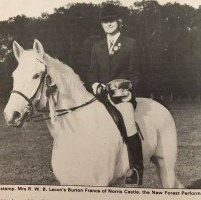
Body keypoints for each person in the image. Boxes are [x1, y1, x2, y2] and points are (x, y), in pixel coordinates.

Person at [86, 4, 144, 186]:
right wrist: (94, 83)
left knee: (127, 117)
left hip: (122, 96)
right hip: (101, 96)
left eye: (111, 20)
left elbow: (136, 73)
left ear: (119, 21)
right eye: (104, 21)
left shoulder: (131, 44)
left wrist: (128, 87)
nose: (108, 24)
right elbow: (91, 72)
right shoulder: (97, 46)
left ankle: (136, 168)